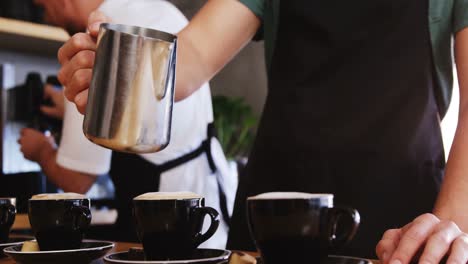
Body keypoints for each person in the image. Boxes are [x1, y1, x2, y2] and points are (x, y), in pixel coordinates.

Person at [57, 0, 468, 262]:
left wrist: (446, 227)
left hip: (403, 224)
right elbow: (191, 58)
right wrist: (114, 67)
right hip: (278, 216)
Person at [19, 0, 238, 248]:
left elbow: (76, 181)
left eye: (45, 8)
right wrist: (68, 111)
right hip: (203, 214)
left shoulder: (104, 40)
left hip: (159, 221)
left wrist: (40, 150)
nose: (48, 18)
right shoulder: (160, 11)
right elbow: (155, 93)